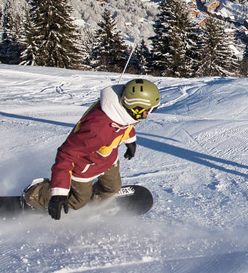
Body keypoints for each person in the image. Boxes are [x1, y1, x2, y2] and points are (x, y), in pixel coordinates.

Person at [23, 78, 160, 220]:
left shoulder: (122, 111)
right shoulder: (97, 131)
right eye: (149, 110)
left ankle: (97, 203)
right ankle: (37, 195)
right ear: (136, 108)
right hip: (84, 167)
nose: (149, 114)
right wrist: (59, 193)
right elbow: (66, 154)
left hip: (108, 160)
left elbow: (125, 125)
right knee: (77, 201)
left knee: (112, 188)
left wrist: (130, 141)